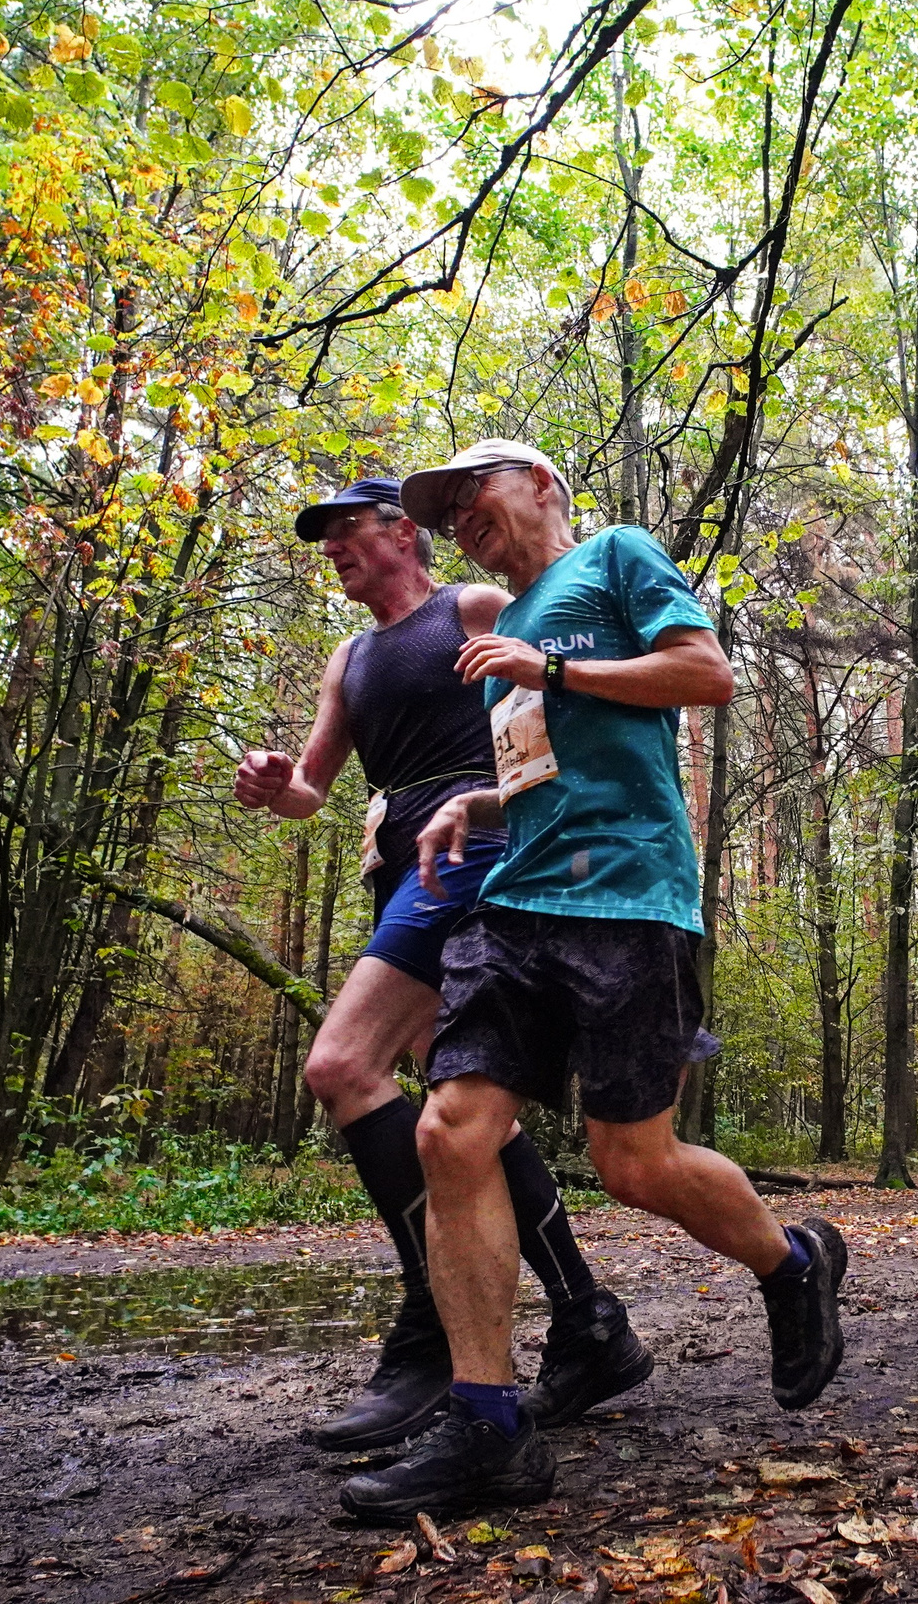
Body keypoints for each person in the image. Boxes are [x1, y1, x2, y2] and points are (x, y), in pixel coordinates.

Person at [337, 440, 847, 1522]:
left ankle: (791, 1261)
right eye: (443, 510)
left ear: (542, 488)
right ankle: (489, 1424)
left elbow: (705, 675)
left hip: (628, 899)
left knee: (632, 1163)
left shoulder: (614, 557)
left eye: (473, 494)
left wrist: (554, 670)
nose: (459, 518)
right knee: (451, 1130)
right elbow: (539, 767)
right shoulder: (501, 630)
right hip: (515, 900)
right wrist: (470, 806)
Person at [232, 477, 650, 1452]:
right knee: (461, 1107)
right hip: (400, 864)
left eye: (343, 530)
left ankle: (433, 1326)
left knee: (342, 1067)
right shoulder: (351, 658)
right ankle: (587, 1318)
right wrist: (270, 785)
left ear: (398, 533)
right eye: (322, 537)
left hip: (479, 850)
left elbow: (560, 674)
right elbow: (308, 792)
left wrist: (573, 804)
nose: (329, 548)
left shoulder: (464, 607)